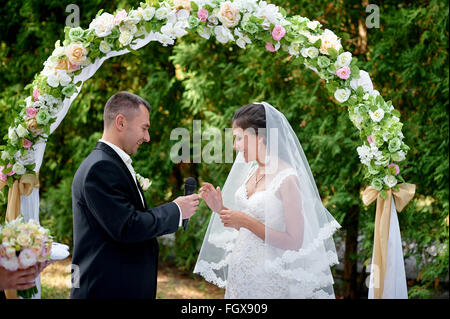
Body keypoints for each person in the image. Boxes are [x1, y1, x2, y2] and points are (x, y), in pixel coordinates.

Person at [195, 102, 341, 299]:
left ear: (260, 137)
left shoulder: (288, 178)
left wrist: (246, 221)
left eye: (239, 138)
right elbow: (248, 226)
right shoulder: (252, 171)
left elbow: (295, 241)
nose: (235, 145)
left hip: (269, 278)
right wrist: (220, 208)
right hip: (240, 274)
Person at [71, 91, 199, 299]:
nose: (147, 138)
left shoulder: (109, 163)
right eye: (144, 128)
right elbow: (127, 226)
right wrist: (176, 210)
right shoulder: (101, 167)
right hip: (106, 290)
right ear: (121, 122)